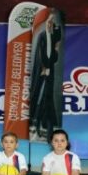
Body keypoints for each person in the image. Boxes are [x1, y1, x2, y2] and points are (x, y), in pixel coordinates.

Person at [29, 10, 63, 142]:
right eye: (49, 22)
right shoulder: (42, 35)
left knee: (47, 98)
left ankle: (45, 127)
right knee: (37, 95)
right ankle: (34, 123)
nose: (50, 24)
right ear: (45, 23)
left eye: (52, 23)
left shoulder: (53, 36)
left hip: (50, 71)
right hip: (42, 70)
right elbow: (39, 54)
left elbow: (55, 55)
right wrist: (44, 67)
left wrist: (56, 50)